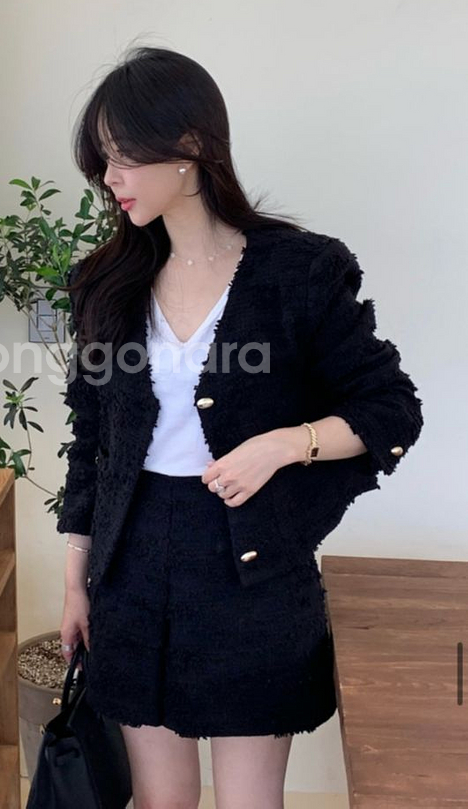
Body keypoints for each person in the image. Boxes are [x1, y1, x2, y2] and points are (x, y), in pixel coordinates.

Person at [56, 45, 423, 809]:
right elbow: (91, 446)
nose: (110, 178)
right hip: (130, 569)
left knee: (249, 803)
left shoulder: (300, 272)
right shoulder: (106, 283)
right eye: (102, 161)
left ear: (190, 144)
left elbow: (390, 407)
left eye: (124, 156)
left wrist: (284, 445)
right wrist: (74, 585)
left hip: (251, 569)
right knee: (160, 801)